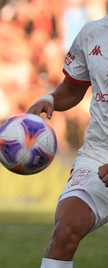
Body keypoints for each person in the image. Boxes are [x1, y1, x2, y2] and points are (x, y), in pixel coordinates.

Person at [27, 15, 108, 268]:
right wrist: (51, 99)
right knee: (64, 231)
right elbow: (73, 88)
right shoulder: (92, 33)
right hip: (98, 155)